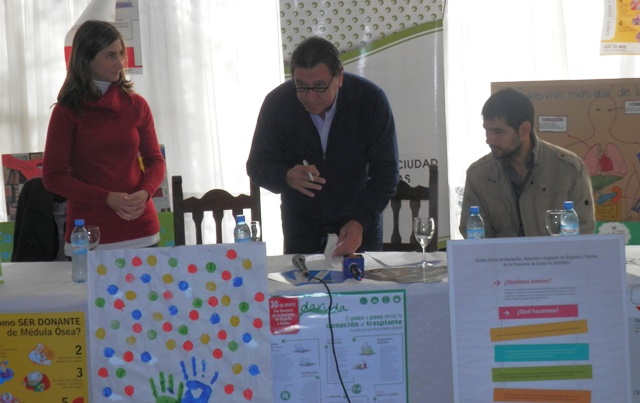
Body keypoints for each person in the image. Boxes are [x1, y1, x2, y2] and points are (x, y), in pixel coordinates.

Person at [246, 36, 399, 255]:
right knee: (302, 278)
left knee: (361, 278)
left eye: (319, 86)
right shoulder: (278, 103)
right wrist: (286, 176)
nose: (310, 97)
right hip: (301, 224)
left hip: (358, 221)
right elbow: (257, 166)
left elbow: (386, 172)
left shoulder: (370, 100)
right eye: (301, 86)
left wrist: (360, 220)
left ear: (339, 77)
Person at [43, 20, 165, 253]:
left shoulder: (137, 105)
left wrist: (145, 192)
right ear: (86, 59)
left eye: (120, 53)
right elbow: (53, 177)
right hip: (88, 235)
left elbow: (155, 160)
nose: (120, 63)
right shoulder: (67, 111)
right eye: (110, 55)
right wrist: (106, 198)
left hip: (142, 230)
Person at [460, 87, 595, 238]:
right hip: (500, 254)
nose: (489, 140)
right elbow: (475, 238)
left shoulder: (569, 168)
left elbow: (583, 231)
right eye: (487, 130)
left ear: (524, 130)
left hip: (556, 254)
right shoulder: (478, 175)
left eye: (498, 132)